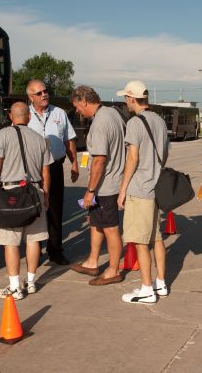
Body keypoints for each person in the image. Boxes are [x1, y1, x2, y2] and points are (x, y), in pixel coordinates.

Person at [0, 102, 53, 300]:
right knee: (33, 239)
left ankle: (15, 286)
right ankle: (31, 282)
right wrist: (46, 195)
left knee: (11, 242)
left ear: (10, 117)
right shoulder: (40, 139)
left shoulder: (3, 135)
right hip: (35, 193)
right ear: (29, 117)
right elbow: (45, 171)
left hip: (9, 194)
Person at [117, 80, 169, 304]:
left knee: (140, 241)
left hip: (140, 189)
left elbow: (132, 158)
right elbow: (164, 154)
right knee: (156, 238)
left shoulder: (135, 123)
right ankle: (161, 283)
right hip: (157, 187)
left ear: (131, 98)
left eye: (125, 99)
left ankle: (147, 288)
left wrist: (122, 189)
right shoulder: (159, 121)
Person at [69, 85, 126, 285]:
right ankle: (92, 262)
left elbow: (99, 160)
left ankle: (113, 270)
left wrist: (90, 190)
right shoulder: (112, 113)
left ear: (84, 101)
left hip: (105, 185)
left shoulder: (101, 122)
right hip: (108, 181)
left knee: (110, 228)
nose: (77, 110)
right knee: (95, 224)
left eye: (77, 106)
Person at [26, 79, 79, 265]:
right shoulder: (25, 115)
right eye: (39, 93)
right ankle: (35, 249)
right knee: (33, 209)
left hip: (55, 167)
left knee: (55, 209)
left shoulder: (59, 113)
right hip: (31, 170)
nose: (44, 94)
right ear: (31, 97)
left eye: (45, 91)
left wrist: (74, 163)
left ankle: (55, 250)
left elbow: (69, 140)